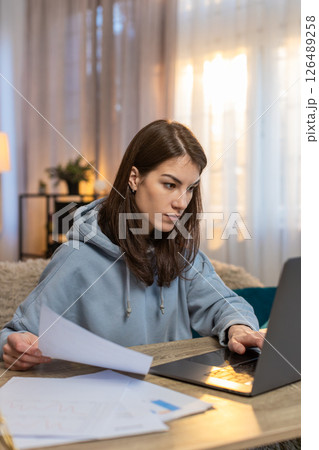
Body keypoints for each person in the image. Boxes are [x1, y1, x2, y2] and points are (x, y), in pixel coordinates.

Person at [0, 119, 264, 371]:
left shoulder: (180, 253)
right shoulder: (78, 258)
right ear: (135, 178)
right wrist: (14, 347)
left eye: (190, 188)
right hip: (104, 403)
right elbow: (13, 333)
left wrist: (238, 328)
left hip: (177, 396)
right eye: (170, 185)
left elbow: (223, 304)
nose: (182, 202)